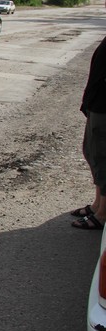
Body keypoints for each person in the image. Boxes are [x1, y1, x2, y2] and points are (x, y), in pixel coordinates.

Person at [72, 35, 106, 229]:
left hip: (103, 106)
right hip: (96, 104)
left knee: (102, 158)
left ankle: (102, 214)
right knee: (91, 152)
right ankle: (97, 205)